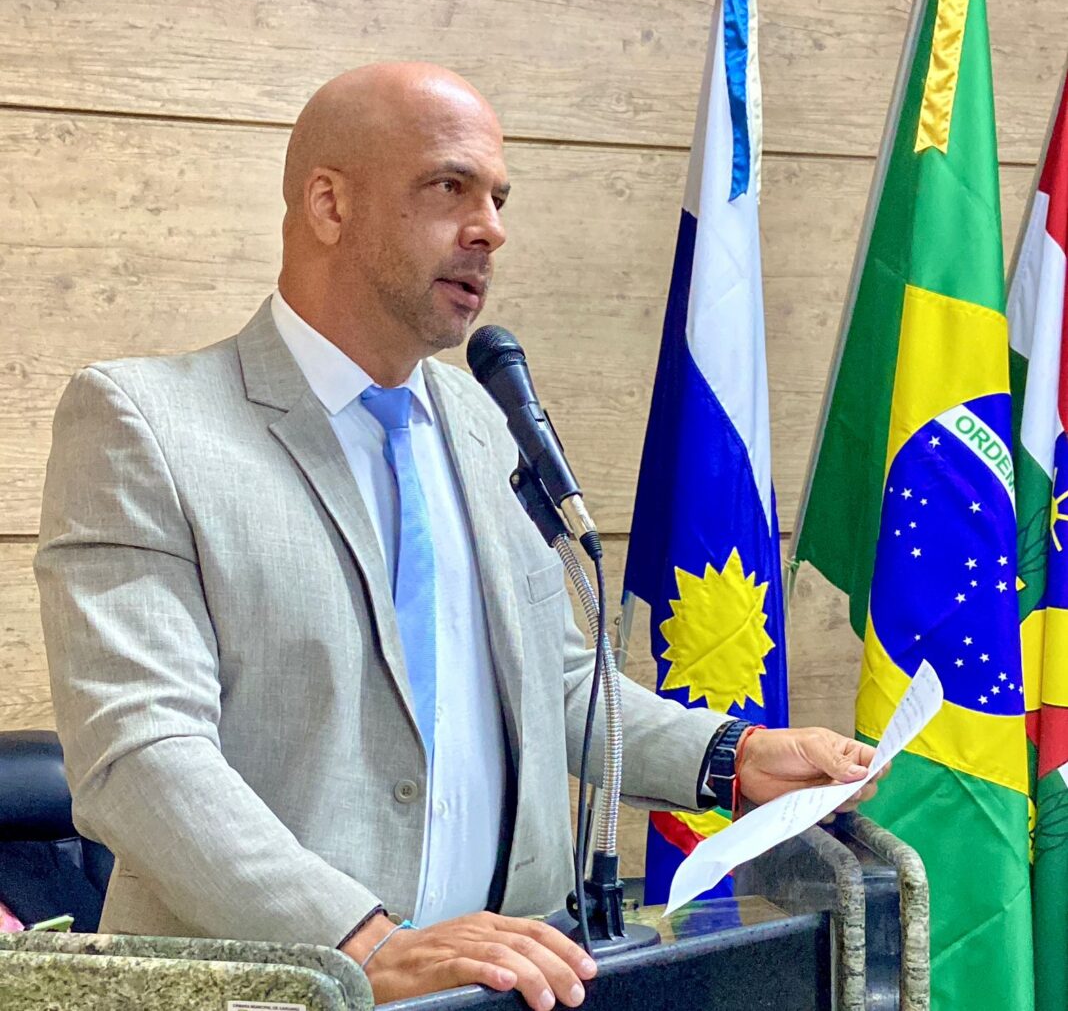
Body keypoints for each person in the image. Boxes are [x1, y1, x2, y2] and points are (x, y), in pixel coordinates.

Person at [35, 62, 883, 1008]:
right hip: (277, 990)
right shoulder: (147, 425)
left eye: (498, 199)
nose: (491, 229)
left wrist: (732, 757)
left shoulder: (485, 422)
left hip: (509, 986)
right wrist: (360, 944)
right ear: (329, 204)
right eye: (450, 187)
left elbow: (556, 680)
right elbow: (140, 752)